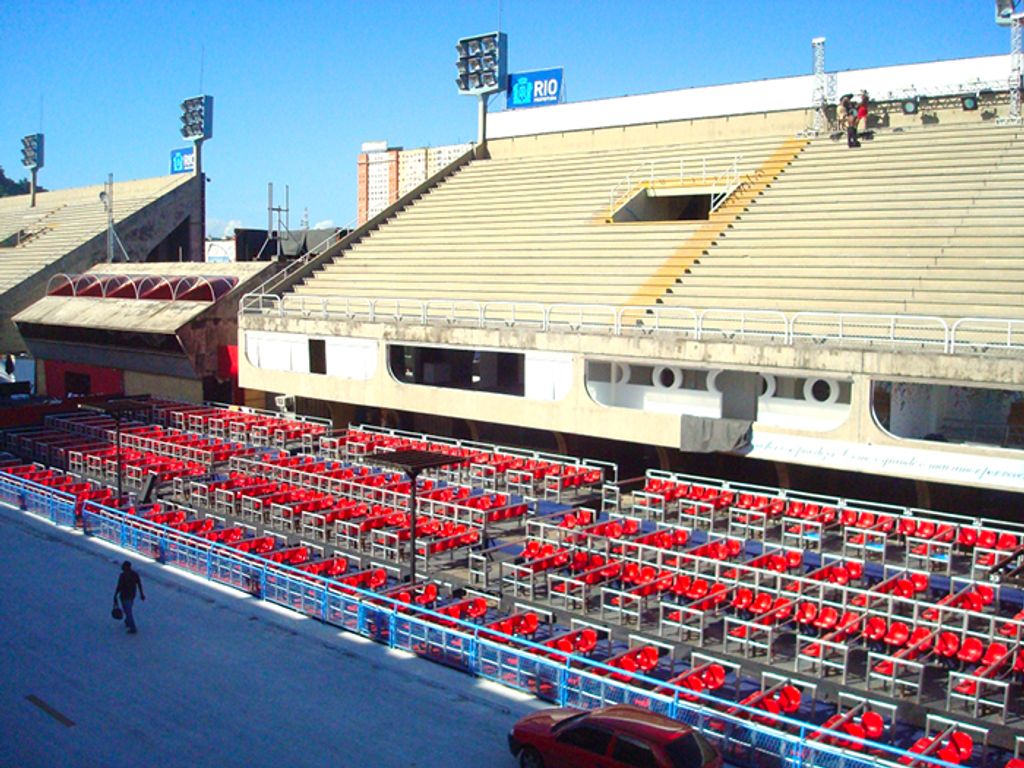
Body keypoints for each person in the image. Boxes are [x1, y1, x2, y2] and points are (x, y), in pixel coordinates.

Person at [113, 561, 145, 633]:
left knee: (128, 611)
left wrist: (115, 595)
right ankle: (127, 621)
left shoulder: (123, 575)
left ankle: (132, 627)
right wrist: (141, 594)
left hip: (124, 595)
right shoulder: (134, 574)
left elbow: (119, 586)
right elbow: (139, 584)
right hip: (132, 594)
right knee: (127, 609)